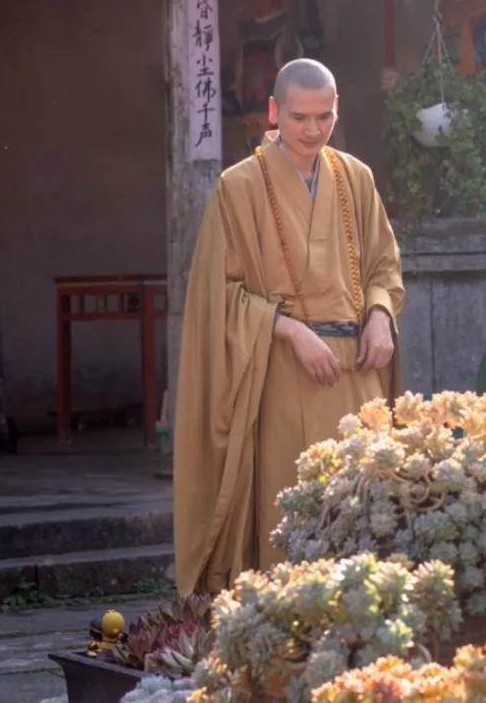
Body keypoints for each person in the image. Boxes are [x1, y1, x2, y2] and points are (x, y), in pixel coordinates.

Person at [174, 59, 405, 595]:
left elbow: (384, 266)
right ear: (274, 112)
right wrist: (290, 331)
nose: (312, 130)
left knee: (364, 517)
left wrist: (378, 315)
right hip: (282, 373)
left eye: (324, 117)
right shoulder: (239, 187)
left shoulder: (357, 177)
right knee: (293, 517)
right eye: (299, 117)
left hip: (357, 373)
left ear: (336, 110)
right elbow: (220, 294)